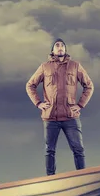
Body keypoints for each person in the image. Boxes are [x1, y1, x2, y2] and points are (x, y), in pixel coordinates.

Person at [26, 38, 94, 176]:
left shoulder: (75, 66)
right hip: (50, 117)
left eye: (62, 45)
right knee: (49, 150)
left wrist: (80, 104)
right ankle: (50, 179)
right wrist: (38, 103)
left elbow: (89, 86)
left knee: (78, 149)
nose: (60, 47)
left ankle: (83, 177)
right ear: (52, 50)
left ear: (65, 49)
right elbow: (30, 85)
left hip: (70, 116)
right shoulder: (45, 67)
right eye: (57, 45)